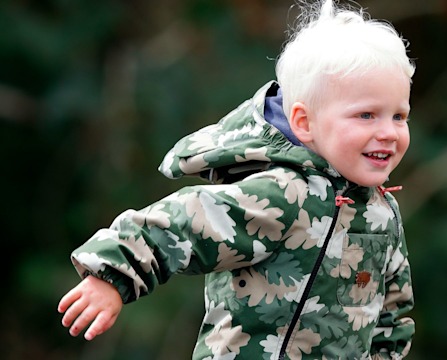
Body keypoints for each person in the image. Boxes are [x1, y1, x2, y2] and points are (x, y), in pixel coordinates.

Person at [58, 0, 416, 358]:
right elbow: (186, 220)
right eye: (366, 115)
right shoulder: (284, 194)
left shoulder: (384, 214)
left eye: (399, 116)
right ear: (305, 123)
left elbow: (391, 314)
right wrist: (114, 274)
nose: (388, 132)